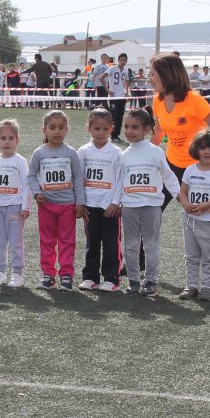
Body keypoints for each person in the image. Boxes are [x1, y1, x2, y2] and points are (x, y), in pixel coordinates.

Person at [148, 53, 210, 289]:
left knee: (203, 219)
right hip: (170, 166)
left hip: (198, 171)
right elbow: (158, 133)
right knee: (152, 210)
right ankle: (140, 261)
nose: (149, 77)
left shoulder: (194, 101)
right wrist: (143, 152)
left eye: (153, 73)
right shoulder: (157, 99)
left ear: (167, 74)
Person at [118, 108, 179, 296]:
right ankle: (134, 280)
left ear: (147, 129)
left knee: (151, 245)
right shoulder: (123, 155)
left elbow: (168, 177)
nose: (129, 131)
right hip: (129, 206)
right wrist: (117, 202)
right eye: (126, 126)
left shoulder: (156, 152)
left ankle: (151, 281)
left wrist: (180, 196)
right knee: (130, 245)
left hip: (152, 206)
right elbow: (119, 181)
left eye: (134, 127)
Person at [27, 109, 86, 291]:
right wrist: (37, 193)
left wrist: (80, 203)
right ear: (44, 130)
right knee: (47, 240)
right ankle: (48, 274)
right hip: (46, 206)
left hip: (67, 205)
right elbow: (31, 176)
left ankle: (66, 274)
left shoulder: (71, 153)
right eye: (52, 127)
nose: (57, 131)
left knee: (67, 240)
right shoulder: (39, 153)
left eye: (61, 127)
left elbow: (78, 178)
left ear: (67, 130)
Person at [176, 129, 210, 301]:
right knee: (191, 256)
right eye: (203, 148)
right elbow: (182, 192)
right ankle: (191, 286)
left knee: (208, 256)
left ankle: (207, 288)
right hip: (190, 221)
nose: (207, 151)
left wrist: (205, 206)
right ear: (196, 150)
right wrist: (186, 204)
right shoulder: (190, 169)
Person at [78, 108, 123, 292]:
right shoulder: (83, 151)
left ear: (111, 128)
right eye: (96, 128)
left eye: (105, 129)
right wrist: (80, 202)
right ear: (89, 128)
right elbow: (79, 178)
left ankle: (112, 278)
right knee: (92, 242)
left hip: (109, 206)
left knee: (112, 243)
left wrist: (115, 202)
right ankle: (90, 277)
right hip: (90, 206)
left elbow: (121, 179)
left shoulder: (116, 152)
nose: (101, 133)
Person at [0, 119, 30, 287]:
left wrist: (25, 207)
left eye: (11, 138)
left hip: (14, 208)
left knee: (15, 241)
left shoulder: (20, 161)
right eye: (3, 138)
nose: (7, 142)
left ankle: (17, 273)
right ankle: (1, 271)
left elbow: (26, 185)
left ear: (17, 140)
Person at [105, 53, 129, 140]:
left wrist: (126, 91)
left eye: (124, 60)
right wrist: (108, 90)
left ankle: (117, 135)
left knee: (120, 116)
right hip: (113, 97)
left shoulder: (126, 70)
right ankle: (112, 135)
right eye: (121, 60)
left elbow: (126, 81)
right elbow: (101, 78)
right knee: (114, 116)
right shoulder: (112, 68)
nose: (123, 62)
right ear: (118, 61)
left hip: (122, 97)